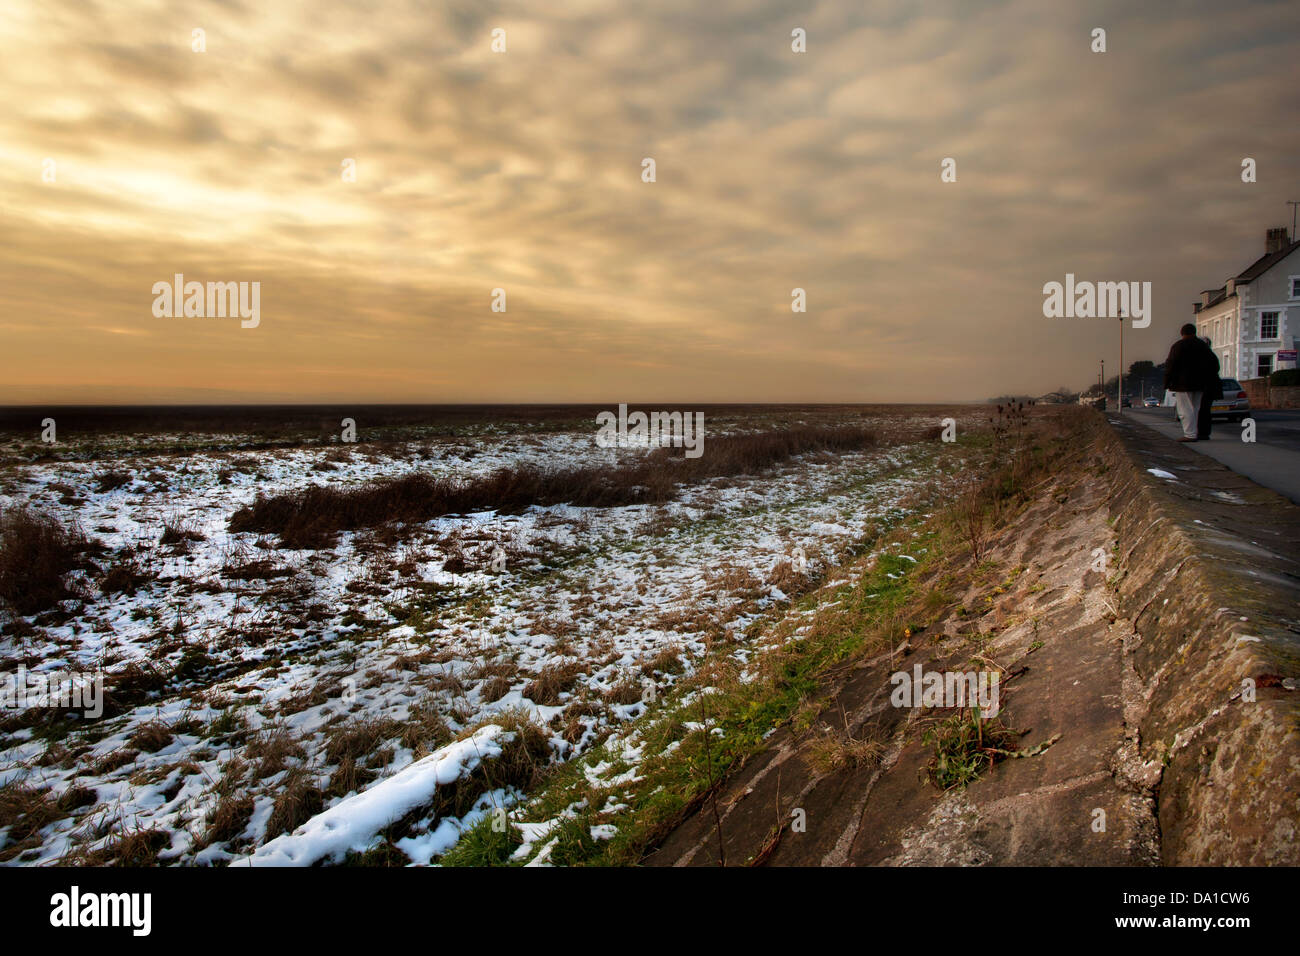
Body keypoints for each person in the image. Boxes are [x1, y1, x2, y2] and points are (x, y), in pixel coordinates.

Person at [1163, 323, 1218, 442]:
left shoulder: (1178, 346)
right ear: (1194, 332)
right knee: (1196, 408)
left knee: (1185, 409)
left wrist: (1167, 382)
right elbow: (1215, 364)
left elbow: (1171, 365)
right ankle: (1196, 432)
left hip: (1182, 384)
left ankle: (1190, 434)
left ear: (1182, 333)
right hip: (1200, 384)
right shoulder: (1203, 346)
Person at [1196, 337, 1222, 440]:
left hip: (1204, 388)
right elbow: (1216, 369)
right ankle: (1204, 432)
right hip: (1209, 387)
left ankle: (1202, 433)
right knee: (1205, 411)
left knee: (1201, 411)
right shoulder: (1211, 355)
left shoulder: (1203, 356)